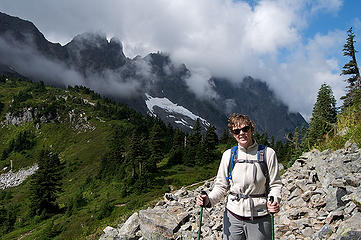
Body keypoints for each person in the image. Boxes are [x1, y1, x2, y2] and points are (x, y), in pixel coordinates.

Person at [196, 113, 282, 240]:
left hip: (260, 217)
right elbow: (221, 186)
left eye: (245, 129)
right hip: (233, 216)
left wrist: (274, 201)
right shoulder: (228, 155)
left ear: (251, 129)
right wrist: (209, 200)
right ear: (233, 134)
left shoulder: (268, 154)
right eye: (236, 131)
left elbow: (275, 184)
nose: (241, 133)